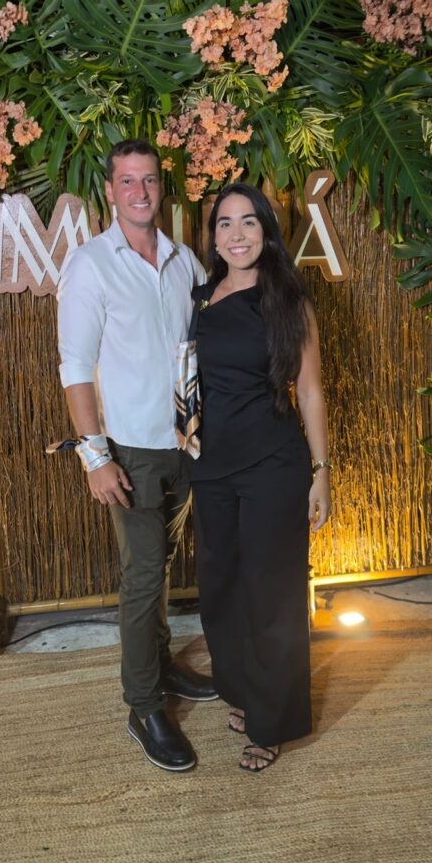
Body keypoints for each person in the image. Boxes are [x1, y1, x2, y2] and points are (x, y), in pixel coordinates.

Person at [56, 138, 216, 773]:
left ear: (160, 187)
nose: (140, 192)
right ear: (110, 191)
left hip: (186, 442)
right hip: (130, 450)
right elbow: (74, 365)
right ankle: (143, 707)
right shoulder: (91, 265)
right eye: (128, 181)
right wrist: (95, 458)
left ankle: (163, 666)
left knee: (163, 565)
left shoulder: (183, 261)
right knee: (144, 575)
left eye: (149, 180)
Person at [189, 182, 331, 773]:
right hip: (211, 468)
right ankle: (246, 692)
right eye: (225, 223)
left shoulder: (288, 301)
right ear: (214, 236)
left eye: (248, 222)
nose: (237, 234)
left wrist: (321, 472)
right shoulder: (200, 299)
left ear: (266, 232)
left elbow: (310, 390)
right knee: (222, 589)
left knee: (272, 595)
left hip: (274, 464)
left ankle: (272, 723)